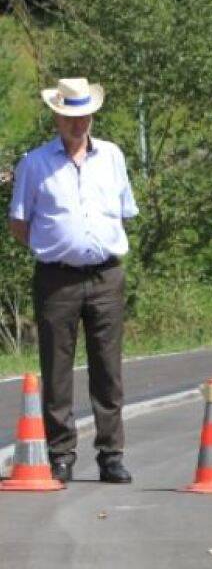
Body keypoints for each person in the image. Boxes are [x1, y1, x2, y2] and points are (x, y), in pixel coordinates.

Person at [8, 77, 138, 484]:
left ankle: (111, 454)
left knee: (108, 368)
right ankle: (60, 453)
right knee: (57, 368)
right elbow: (19, 223)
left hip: (105, 274)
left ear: (92, 115)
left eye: (83, 116)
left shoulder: (112, 156)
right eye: (69, 116)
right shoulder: (35, 164)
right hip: (56, 279)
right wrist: (54, 247)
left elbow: (122, 210)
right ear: (56, 117)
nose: (77, 123)